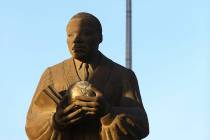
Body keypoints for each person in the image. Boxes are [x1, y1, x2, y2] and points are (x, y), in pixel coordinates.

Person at [25, 12, 149, 140]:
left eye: (86, 34)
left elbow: (141, 124)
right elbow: (32, 123)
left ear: (99, 37)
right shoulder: (51, 74)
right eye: (70, 35)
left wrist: (108, 112)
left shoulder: (123, 75)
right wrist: (55, 121)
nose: (76, 40)